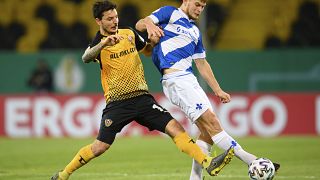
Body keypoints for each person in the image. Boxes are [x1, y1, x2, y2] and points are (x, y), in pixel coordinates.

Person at [51, 1, 235, 179]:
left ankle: (207, 162)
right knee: (99, 147)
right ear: (98, 21)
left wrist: (152, 43)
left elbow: (145, 50)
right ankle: (64, 174)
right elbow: (85, 57)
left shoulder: (128, 33)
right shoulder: (99, 42)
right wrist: (103, 44)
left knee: (175, 128)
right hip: (118, 103)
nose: (115, 21)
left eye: (116, 17)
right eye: (109, 19)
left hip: (142, 99)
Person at [135, 0, 281, 179]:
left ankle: (195, 178)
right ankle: (253, 161)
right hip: (176, 79)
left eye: (203, 7)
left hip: (189, 79)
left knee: (207, 133)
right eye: (197, 4)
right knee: (212, 123)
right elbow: (140, 23)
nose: (200, 9)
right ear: (186, 1)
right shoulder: (170, 13)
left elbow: (202, 63)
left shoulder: (195, 31)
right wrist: (150, 25)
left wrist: (218, 90)